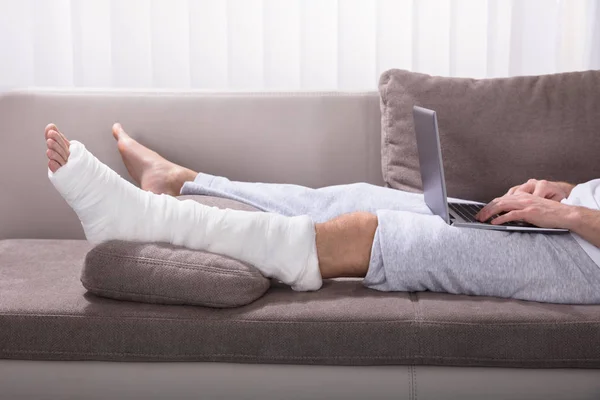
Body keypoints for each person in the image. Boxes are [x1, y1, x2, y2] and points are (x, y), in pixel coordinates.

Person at [44, 123, 600, 304]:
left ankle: (143, 220)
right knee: (354, 198)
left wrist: (575, 221)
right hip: (568, 222)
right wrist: (566, 194)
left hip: (581, 259)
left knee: (381, 235)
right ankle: (183, 181)